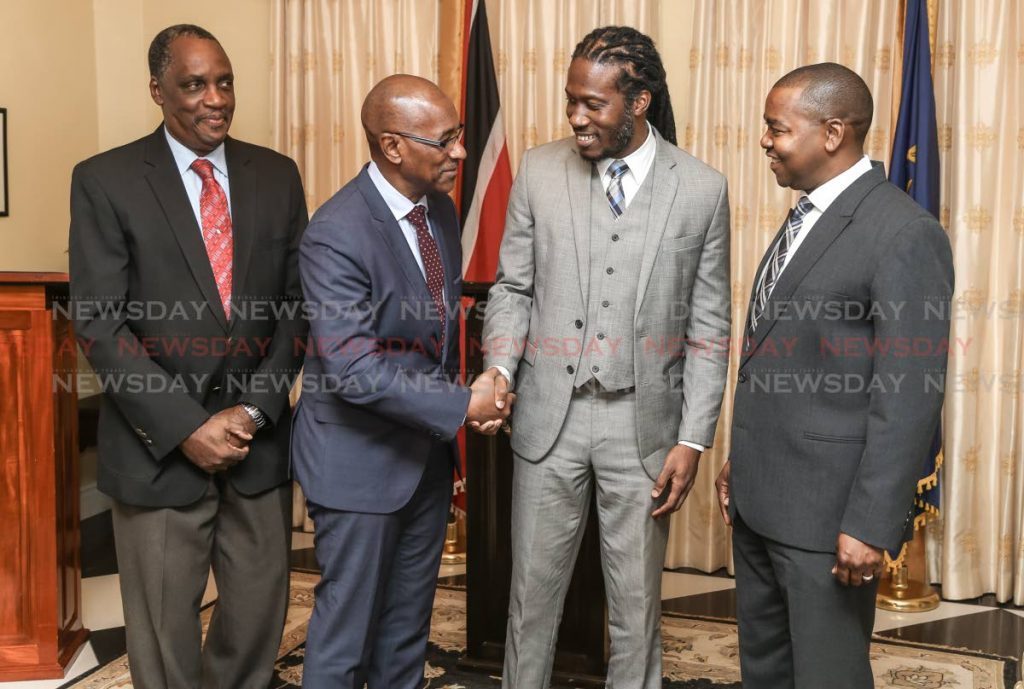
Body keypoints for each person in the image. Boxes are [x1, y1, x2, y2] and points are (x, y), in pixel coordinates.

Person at [480, 26, 732, 688]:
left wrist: (693, 438)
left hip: (643, 430)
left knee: (636, 611)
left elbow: (709, 326)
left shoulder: (702, 189)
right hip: (546, 422)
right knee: (530, 603)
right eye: (571, 101)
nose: (576, 117)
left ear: (640, 100)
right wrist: (500, 367)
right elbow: (512, 287)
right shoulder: (538, 168)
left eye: (594, 103)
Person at [69, 24, 307, 689]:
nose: (215, 99)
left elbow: (297, 306)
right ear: (157, 91)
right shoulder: (105, 180)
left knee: (256, 620)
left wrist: (255, 410)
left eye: (224, 81)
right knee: (165, 641)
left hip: (256, 447)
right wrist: (187, 427)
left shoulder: (276, 175)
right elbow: (99, 323)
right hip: (157, 449)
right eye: (194, 84)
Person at [715, 62, 954, 688]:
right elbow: (783, 352)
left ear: (832, 132)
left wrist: (870, 524)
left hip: (830, 517)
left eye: (777, 128)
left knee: (827, 677)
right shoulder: (807, 215)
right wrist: (742, 462)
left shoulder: (903, 232)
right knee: (766, 672)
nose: (765, 140)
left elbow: (909, 392)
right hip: (762, 501)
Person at [291, 74, 511, 688]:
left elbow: (431, 338)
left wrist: (475, 393)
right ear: (392, 146)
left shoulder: (436, 210)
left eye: (461, 136)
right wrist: (464, 403)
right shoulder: (336, 233)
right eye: (444, 142)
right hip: (357, 464)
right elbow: (355, 369)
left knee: (405, 634)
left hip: (423, 459)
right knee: (346, 636)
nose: (460, 153)